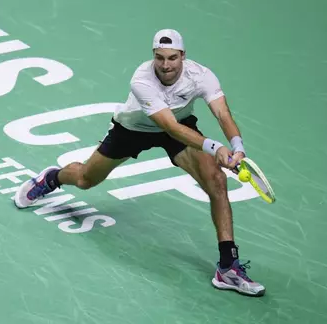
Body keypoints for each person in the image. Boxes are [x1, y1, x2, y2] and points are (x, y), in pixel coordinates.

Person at [13, 29, 265, 297]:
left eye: (172, 58)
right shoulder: (142, 79)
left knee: (216, 180)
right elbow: (168, 126)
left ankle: (228, 268)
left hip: (181, 125)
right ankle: (52, 178)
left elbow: (222, 113)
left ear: (183, 56)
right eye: (159, 58)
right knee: (86, 179)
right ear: (153, 56)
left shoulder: (201, 75)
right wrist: (214, 147)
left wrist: (237, 146)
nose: (165, 65)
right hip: (133, 130)